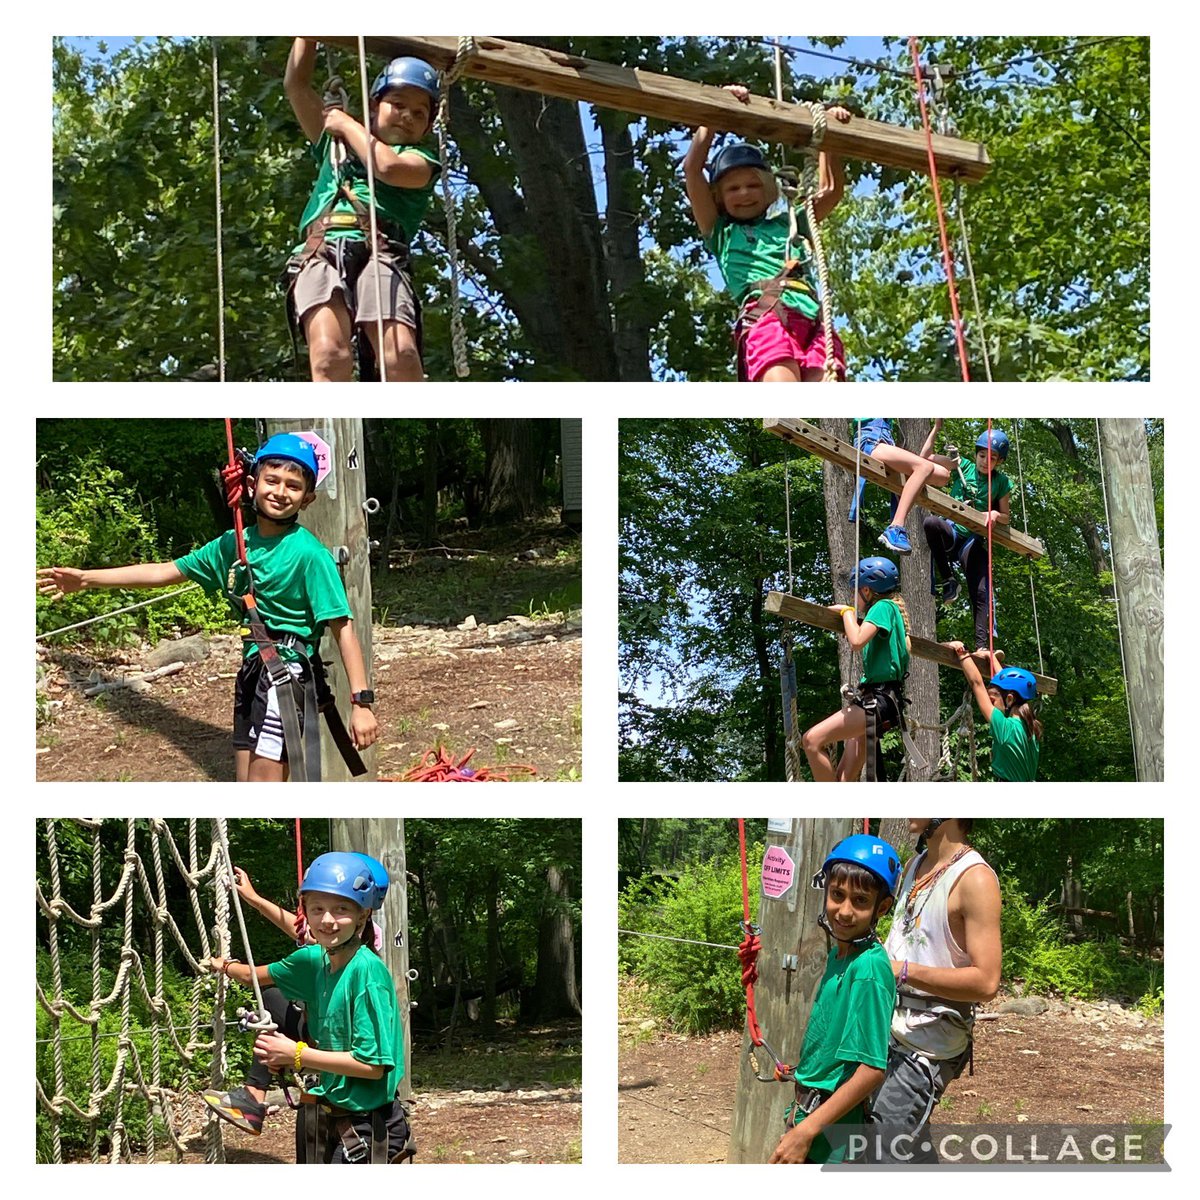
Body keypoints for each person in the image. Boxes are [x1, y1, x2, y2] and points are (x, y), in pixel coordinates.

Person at [36, 433, 379, 781]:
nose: (280, 492)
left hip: (285, 678)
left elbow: (343, 628)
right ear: (251, 483)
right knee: (246, 783)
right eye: (271, 480)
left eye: (293, 486)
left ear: (307, 499)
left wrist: (361, 703)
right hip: (252, 672)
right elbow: (163, 572)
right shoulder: (233, 544)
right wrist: (86, 579)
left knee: (265, 784)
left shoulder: (310, 555)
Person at [208, 852, 410, 1164]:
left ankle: (253, 1092)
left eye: (341, 909)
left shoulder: (366, 974)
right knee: (274, 999)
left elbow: (374, 1066)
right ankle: (254, 1091)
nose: (327, 920)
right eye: (317, 910)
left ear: (363, 914)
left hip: (368, 1126)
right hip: (336, 1116)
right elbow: (262, 969)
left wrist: (296, 1054)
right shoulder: (318, 961)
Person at [283, 39, 441, 382]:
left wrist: (345, 122)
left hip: (380, 253)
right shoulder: (334, 146)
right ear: (375, 105)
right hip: (320, 250)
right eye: (397, 104)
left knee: (399, 355)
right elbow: (296, 86)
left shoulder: (421, 162)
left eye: (419, 113)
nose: (407, 116)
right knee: (328, 355)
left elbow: (387, 166)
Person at [683, 84, 851, 382]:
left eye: (754, 185)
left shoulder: (791, 224)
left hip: (814, 321)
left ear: (769, 189)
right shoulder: (721, 233)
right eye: (733, 188)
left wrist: (831, 137)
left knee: (826, 412)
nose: (745, 193)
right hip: (768, 317)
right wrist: (715, 114)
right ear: (719, 198)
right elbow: (693, 171)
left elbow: (832, 191)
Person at [869, 819, 1001, 1164]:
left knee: (882, 1149)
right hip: (887, 1027)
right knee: (900, 1147)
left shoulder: (975, 879)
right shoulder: (915, 864)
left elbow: (987, 982)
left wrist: (906, 972)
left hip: (928, 1043)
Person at [768, 834, 899, 1164]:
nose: (844, 911)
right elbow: (841, 1048)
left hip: (828, 1129)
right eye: (837, 895)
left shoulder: (868, 967)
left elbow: (871, 1069)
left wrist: (806, 1131)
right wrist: (804, 1071)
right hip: (813, 1112)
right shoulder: (842, 955)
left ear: (881, 907)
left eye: (860, 901)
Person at [802, 556, 910, 782]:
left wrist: (847, 614)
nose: (854, 596)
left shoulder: (882, 607)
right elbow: (871, 639)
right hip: (882, 701)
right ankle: (838, 815)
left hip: (878, 700)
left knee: (811, 741)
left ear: (868, 590)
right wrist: (855, 624)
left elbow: (857, 642)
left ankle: (830, 815)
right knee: (844, 779)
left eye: (856, 590)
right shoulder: (892, 611)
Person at [922, 429, 1013, 672]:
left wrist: (994, 514)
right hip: (952, 533)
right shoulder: (964, 467)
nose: (985, 462)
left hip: (971, 541)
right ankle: (948, 580)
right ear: (976, 455)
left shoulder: (1001, 483)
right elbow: (926, 458)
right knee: (931, 523)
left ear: (999, 462)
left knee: (982, 591)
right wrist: (940, 434)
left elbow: (1006, 516)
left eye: (992, 458)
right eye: (982, 456)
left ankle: (983, 645)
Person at [852, 419, 952, 555]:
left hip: (886, 442)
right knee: (924, 466)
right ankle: (896, 527)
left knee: (943, 475)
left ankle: (895, 527)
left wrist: (936, 427)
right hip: (870, 439)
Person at [948, 646, 1042, 781]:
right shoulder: (1031, 727)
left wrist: (961, 652)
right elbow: (1006, 685)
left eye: (992, 700)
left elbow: (977, 684)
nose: (991, 704)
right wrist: (991, 657)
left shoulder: (1005, 728)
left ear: (1010, 699)